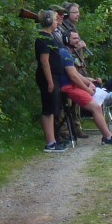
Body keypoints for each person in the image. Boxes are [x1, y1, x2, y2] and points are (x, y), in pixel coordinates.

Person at [52, 22, 112, 145]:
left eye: (78, 38)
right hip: (68, 87)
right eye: (75, 38)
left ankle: (108, 135)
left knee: (98, 102)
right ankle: (108, 137)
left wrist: (88, 82)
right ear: (66, 40)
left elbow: (76, 75)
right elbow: (73, 76)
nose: (78, 40)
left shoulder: (67, 53)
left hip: (73, 85)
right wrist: (87, 89)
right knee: (95, 107)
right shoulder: (65, 54)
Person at [34, 9, 71, 152]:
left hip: (54, 76)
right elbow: (44, 61)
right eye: (55, 19)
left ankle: (53, 140)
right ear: (49, 21)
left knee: (52, 108)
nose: (57, 22)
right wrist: (50, 81)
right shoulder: (44, 38)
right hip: (48, 77)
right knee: (48, 109)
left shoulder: (49, 36)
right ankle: (50, 142)